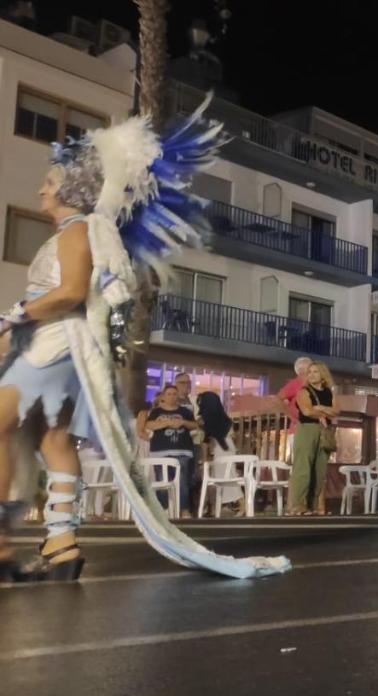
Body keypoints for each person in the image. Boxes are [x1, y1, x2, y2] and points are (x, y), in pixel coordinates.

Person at [0, 105, 287, 581]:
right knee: (54, 439)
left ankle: (4, 542)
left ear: (69, 189)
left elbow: (71, 293)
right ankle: (62, 540)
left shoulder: (76, 231)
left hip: (52, 345)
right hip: (67, 352)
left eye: (48, 182)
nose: (40, 190)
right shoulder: (86, 231)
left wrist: (15, 314)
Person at [290, 361, 338, 516]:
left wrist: (320, 409)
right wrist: (325, 412)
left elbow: (337, 411)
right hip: (307, 430)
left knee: (319, 470)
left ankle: (312, 505)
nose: (311, 374)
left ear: (323, 374)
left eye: (315, 372)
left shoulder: (330, 392)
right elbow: (307, 411)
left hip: (324, 431)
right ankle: (298, 505)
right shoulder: (303, 391)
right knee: (303, 468)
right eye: (309, 372)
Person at [145, 385, 201, 518]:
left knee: (182, 481)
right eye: (169, 394)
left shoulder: (185, 411)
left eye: (174, 394)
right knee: (162, 480)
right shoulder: (156, 411)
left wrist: (182, 423)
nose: (172, 396)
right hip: (160, 452)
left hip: (182, 451)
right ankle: (163, 509)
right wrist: (166, 424)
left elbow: (194, 425)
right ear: (163, 396)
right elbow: (148, 425)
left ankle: (184, 509)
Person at [278, 356, 313, 428]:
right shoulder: (295, 383)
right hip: (298, 430)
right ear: (301, 371)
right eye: (309, 368)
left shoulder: (311, 385)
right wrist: (292, 418)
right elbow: (277, 399)